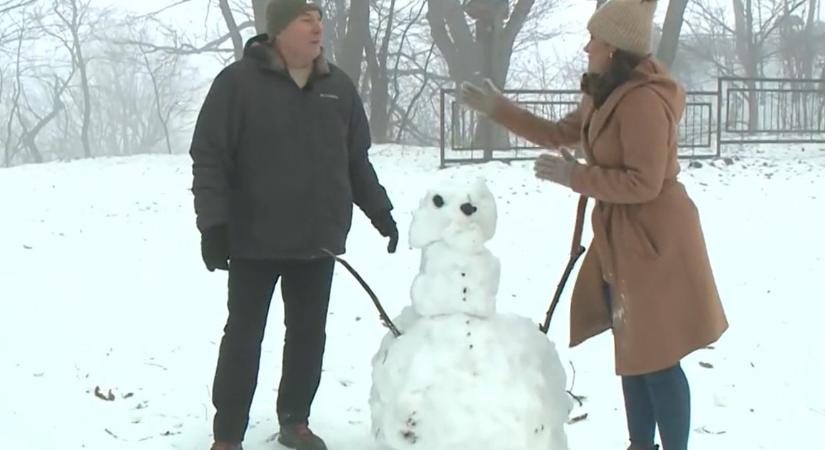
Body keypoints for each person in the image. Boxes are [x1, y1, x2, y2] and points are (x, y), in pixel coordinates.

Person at [460, 1, 728, 449]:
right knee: (633, 352)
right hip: (620, 237)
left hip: (655, 239)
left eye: (595, 40)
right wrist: (498, 109)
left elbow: (644, 182)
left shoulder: (644, 101)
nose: (587, 47)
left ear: (616, 48)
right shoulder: (603, 91)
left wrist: (575, 177)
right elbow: (558, 133)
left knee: (658, 356)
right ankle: (640, 444)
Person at [189, 1, 398, 449]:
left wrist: (381, 212)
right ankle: (227, 435)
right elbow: (209, 156)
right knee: (243, 338)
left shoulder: (338, 88)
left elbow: (355, 162)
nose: (317, 26)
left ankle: (294, 421)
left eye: (319, 18)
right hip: (253, 239)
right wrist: (213, 225)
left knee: (307, 337)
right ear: (279, 30)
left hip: (316, 241)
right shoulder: (237, 84)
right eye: (306, 18)